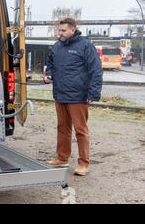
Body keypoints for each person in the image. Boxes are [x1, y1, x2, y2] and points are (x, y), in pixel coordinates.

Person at [44, 18, 103, 176]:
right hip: (60, 95)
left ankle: (83, 164)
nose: (60, 33)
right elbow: (50, 64)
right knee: (62, 128)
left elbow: (96, 70)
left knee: (80, 130)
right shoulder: (57, 46)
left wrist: (93, 93)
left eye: (63, 30)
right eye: (59, 30)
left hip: (78, 96)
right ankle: (62, 158)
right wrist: (48, 75)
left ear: (73, 29)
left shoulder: (85, 46)